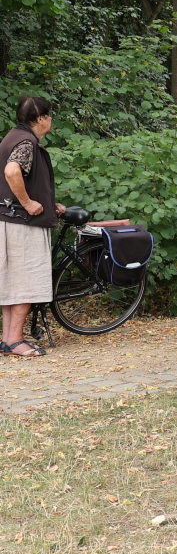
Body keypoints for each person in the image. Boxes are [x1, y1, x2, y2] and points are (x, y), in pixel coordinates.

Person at [0, 96, 67, 358]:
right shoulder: (26, 142)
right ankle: (16, 341)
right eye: (49, 115)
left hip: (9, 219)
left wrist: (50, 204)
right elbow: (12, 172)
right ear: (41, 118)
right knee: (25, 282)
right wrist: (28, 203)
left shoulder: (12, 136)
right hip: (23, 223)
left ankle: (7, 339)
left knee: (12, 283)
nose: (50, 120)